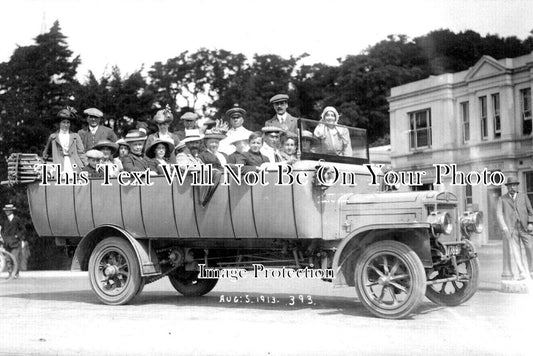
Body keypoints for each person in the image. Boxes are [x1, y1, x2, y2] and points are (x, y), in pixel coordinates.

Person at [496, 176, 533, 280]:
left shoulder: (523, 196)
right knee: (516, 252)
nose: (512, 187)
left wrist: (530, 223)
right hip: (511, 229)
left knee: (530, 248)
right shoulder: (502, 199)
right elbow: (499, 214)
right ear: (507, 187)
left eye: (514, 185)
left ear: (517, 186)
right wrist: (504, 227)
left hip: (525, 227)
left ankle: (531, 271)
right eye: (510, 185)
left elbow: (531, 211)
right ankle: (522, 273)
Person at [42, 107, 85, 174]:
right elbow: (46, 153)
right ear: (59, 123)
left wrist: (87, 165)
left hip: (74, 163)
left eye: (68, 123)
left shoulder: (75, 136)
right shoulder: (53, 137)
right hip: (59, 164)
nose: (66, 125)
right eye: (63, 122)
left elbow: (81, 153)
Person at [0, 204, 27, 277]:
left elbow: (23, 229)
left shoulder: (17, 219)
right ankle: (10, 273)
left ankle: (16, 273)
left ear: (11, 211)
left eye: (8, 210)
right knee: (8, 259)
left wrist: (17, 236)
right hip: (7, 243)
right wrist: (4, 238)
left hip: (15, 242)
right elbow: (2, 230)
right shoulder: (4, 220)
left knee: (15, 258)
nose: (6, 212)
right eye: (6, 211)